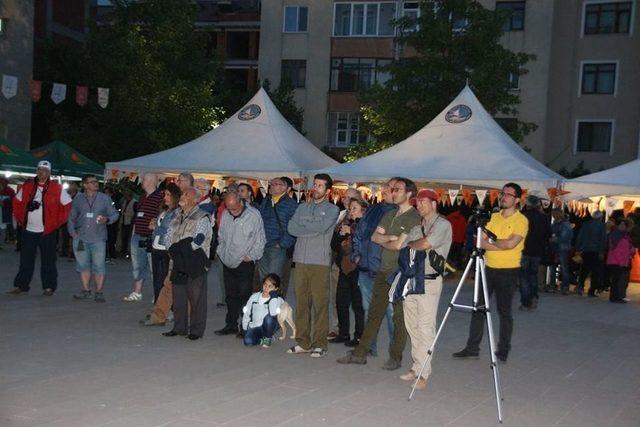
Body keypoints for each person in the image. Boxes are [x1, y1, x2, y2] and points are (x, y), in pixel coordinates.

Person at [337, 177, 421, 370]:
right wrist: (391, 238)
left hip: (401, 272)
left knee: (398, 316)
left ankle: (395, 356)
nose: (393, 192)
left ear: (409, 194)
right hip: (384, 269)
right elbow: (375, 237)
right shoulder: (389, 214)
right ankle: (360, 353)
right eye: (392, 189)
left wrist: (389, 240)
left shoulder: (413, 217)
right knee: (374, 313)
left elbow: (400, 245)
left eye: (397, 189)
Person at [453, 183, 528, 363]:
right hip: (488, 268)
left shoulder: (521, 220)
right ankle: (472, 348)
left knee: (504, 311)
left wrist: (491, 244)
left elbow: (511, 244)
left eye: (509, 194)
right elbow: (479, 241)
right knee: (478, 308)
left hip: (508, 270)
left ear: (517, 199)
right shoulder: (493, 217)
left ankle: (502, 350)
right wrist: (497, 244)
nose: (504, 197)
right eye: (503, 193)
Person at [395, 189, 452, 390]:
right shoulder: (417, 225)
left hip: (429, 281)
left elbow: (425, 244)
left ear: (434, 203)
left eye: (422, 202)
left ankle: (423, 373)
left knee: (425, 326)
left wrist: (411, 244)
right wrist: (410, 244)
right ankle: (416, 365)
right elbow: (401, 246)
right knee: (412, 325)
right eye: (416, 202)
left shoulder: (443, 225)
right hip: (412, 279)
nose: (418, 205)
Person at [287, 174, 339, 358]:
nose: (315, 188)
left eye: (319, 186)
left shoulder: (332, 210)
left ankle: (320, 344)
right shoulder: (302, 207)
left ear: (328, 190)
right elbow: (291, 228)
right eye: (314, 184)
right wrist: (311, 226)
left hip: (320, 262)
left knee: (320, 304)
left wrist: (305, 226)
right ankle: (303, 342)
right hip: (300, 260)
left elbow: (322, 229)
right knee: (301, 303)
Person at [9, 161, 72, 296]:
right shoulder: (27, 186)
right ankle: (21, 285)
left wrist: (56, 223)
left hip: (47, 232)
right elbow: (17, 203)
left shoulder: (57, 188)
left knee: (48, 260)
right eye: (39, 169)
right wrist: (21, 220)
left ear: (49, 173)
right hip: (29, 230)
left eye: (44, 170)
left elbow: (68, 207)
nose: (41, 172)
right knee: (25, 259)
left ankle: (49, 287)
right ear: (36, 171)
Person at [350, 178, 397, 356]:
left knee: (392, 313)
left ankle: (395, 349)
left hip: (388, 272)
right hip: (366, 270)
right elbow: (359, 234)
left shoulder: (402, 213)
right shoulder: (374, 209)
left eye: (388, 188)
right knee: (369, 310)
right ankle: (370, 346)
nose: (383, 190)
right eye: (384, 187)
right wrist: (356, 255)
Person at [161, 187, 213, 340]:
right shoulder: (176, 215)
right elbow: (168, 236)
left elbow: (199, 239)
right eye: (182, 194)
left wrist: (180, 249)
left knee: (196, 297)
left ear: (196, 199)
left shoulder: (202, 216)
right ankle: (179, 328)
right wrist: (172, 249)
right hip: (178, 259)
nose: (182, 196)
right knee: (179, 295)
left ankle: (196, 330)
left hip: (195, 260)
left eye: (186, 194)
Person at [214, 185, 266, 336]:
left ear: (240, 201)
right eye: (229, 208)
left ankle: (246, 327)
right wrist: (220, 251)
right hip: (227, 260)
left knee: (245, 296)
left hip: (244, 262)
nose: (232, 211)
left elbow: (260, 239)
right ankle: (230, 325)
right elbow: (221, 236)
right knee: (230, 296)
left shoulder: (253, 215)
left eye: (234, 208)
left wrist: (252, 256)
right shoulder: (225, 213)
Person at [67, 175, 119, 302]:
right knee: (83, 265)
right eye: (92, 182)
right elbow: (71, 218)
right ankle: (86, 290)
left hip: (98, 238)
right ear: (85, 185)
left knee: (99, 266)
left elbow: (115, 214)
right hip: (81, 238)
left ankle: (99, 292)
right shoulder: (78, 199)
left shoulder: (105, 198)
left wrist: (107, 219)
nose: (96, 184)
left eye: (97, 182)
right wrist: (73, 234)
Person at [330, 198, 367, 346]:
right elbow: (334, 245)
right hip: (344, 268)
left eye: (355, 208)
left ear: (363, 211)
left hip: (359, 269)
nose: (351, 211)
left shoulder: (365, 225)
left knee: (358, 305)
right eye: (350, 208)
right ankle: (343, 333)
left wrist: (351, 232)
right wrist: (341, 233)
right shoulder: (346, 224)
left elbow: (365, 242)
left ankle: (359, 336)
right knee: (341, 301)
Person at [124, 173, 163, 302]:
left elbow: (162, 216)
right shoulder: (142, 197)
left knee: (153, 267)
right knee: (137, 265)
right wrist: (133, 234)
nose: (141, 181)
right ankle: (137, 292)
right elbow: (137, 217)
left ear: (152, 181)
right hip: (137, 236)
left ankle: (157, 294)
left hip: (151, 237)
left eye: (144, 179)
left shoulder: (160, 197)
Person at [257, 177, 297, 298]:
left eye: (276, 184)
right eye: (271, 184)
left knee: (274, 278)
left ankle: (275, 307)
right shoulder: (266, 201)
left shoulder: (291, 204)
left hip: (277, 247)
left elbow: (294, 227)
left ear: (285, 188)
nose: (272, 186)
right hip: (263, 245)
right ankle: (264, 307)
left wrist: (282, 244)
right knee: (264, 279)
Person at [148, 183, 181, 303]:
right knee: (156, 280)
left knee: (162, 280)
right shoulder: (165, 210)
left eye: (168, 194)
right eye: (165, 194)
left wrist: (155, 228)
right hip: (156, 247)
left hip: (165, 249)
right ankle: (157, 307)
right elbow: (161, 226)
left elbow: (169, 229)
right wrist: (155, 224)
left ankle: (161, 309)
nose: (165, 197)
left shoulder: (177, 212)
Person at [519, 195, 551, 310]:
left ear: (527, 205)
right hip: (537, 250)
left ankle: (525, 302)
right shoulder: (544, 218)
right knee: (533, 275)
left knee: (524, 276)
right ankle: (533, 298)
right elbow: (548, 234)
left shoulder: (523, 217)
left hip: (524, 249)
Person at [241, 273, 285, 348]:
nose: (266, 288)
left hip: (270, 325)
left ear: (276, 288)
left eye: (270, 286)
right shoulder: (254, 297)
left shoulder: (278, 300)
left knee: (269, 318)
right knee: (248, 341)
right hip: (256, 326)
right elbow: (247, 313)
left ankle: (268, 337)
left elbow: (273, 312)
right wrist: (245, 329)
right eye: (265, 284)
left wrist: (273, 297)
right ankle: (262, 339)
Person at [575, 211, 607, 296]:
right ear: (601, 217)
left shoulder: (585, 224)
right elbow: (603, 240)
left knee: (584, 269)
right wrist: (602, 252)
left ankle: (580, 286)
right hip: (596, 250)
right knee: (595, 271)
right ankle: (591, 291)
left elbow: (580, 236)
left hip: (586, 250)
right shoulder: (602, 226)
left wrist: (578, 248)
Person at [606, 218, 635, 304]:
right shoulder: (617, 235)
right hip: (617, 261)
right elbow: (618, 249)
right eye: (621, 225)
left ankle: (615, 297)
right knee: (616, 280)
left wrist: (631, 251)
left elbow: (626, 248)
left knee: (617, 279)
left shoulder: (624, 235)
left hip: (620, 260)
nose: (623, 227)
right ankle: (615, 297)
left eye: (624, 225)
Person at [547, 209, 573, 295]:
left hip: (562, 249)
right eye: (553, 214)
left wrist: (553, 239)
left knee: (563, 268)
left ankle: (565, 287)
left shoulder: (565, 224)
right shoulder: (554, 224)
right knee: (553, 268)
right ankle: (553, 286)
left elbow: (565, 237)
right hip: (555, 248)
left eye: (555, 214)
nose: (554, 215)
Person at [104, 187, 119, 263]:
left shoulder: (113, 200)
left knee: (111, 239)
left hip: (112, 223)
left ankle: (112, 255)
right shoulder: (103, 200)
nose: (106, 194)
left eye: (107, 192)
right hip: (105, 223)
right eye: (105, 192)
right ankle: (106, 255)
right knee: (106, 240)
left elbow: (116, 211)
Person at [119, 191, 136, 257]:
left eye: (126, 195)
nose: (125, 197)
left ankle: (127, 251)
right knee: (123, 237)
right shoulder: (125, 202)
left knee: (128, 237)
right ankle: (124, 250)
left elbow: (135, 213)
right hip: (124, 221)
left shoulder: (134, 202)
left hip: (129, 222)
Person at [0, 177, 16, 246]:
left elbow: (14, 202)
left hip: (6, 211)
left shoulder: (10, 191)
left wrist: (5, 204)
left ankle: (9, 239)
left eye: (3, 182)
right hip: (3, 211)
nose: (2, 184)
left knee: (7, 225)